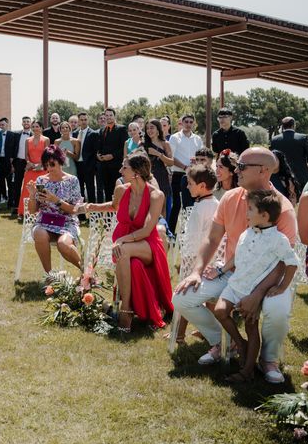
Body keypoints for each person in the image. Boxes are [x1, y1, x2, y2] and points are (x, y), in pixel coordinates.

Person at [173, 147, 297, 383]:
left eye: (241, 166)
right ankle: (222, 343)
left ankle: (268, 359)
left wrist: (259, 292)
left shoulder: (282, 208)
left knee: (278, 309)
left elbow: (284, 261)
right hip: (232, 275)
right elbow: (212, 239)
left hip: (269, 279)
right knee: (181, 297)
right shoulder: (229, 197)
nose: (235, 169)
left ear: (263, 170)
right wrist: (196, 272)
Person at [211, 190, 297, 382]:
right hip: (235, 285)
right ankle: (240, 344)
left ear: (264, 215)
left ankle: (247, 370)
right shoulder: (247, 232)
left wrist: (282, 287)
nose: (246, 213)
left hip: (251, 292)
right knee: (220, 311)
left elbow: (292, 263)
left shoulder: (278, 239)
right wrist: (222, 270)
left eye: (250, 209)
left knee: (251, 327)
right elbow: (237, 256)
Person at [86, 153, 173, 331]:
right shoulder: (122, 189)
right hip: (125, 243)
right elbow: (114, 205)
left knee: (122, 250)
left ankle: (125, 311)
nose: (120, 170)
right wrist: (92, 206)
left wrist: (121, 240)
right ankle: (131, 310)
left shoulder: (156, 195)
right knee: (130, 261)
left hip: (148, 244)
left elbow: (148, 229)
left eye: (124, 167)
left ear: (136, 173)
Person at [172, 165, 219, 344]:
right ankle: (209, 332)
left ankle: (180, 334)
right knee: (210, 301)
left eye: (190, 183)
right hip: (212, 259)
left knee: (184, 295)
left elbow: (192, 239)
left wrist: (186, 261)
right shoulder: (215, 204)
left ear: (201, 186)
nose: (187, 186)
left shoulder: (200, 208)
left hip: (195, 260)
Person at [26, 145, 83, 274]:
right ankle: (50, 276)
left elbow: (74, 210)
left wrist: (55, 200)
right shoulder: (41, 180)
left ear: (60, 161)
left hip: (67, 222)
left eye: (52, 164)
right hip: (45, 221)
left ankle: (87, 273)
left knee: (63, 245)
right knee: (39, 234)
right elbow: (32, 211)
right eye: (46, 165)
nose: (49, 168)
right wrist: (32, 195)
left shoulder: (72, 181)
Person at [168, 114, 203, 232]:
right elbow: (171, 157)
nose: (188, 124)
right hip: (178, 174)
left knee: (190, 205)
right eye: (186, 122)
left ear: (193, 123)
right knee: (177, 204)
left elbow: (201, 156)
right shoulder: (174, 137)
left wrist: (195, 164)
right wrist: (184, 167)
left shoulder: (197, 139)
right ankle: (171, 232)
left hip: (193, 176)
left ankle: (188, 231)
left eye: (190, 122)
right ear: (181, 123)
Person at [18, 121, 50, 216]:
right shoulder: (28, 140)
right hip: (30, 169)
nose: (35, 128)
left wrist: (41, 164)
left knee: (41, 191)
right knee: (27, 190)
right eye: (34, 127)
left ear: (41, 128)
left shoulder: (46, 139)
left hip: (42, 170)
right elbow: (26, 155)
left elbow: (47, 155)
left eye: (37, 126)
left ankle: (41, 212)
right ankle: (24, 212)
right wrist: (29, 163)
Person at [270, 116, 308, 190]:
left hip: (281, 177)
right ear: (293, 125)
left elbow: (272, 158)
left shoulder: (274, 140)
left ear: (282, 126)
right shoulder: (302, 138)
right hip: (301, 175)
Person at [143, 119, 174, 218]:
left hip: (162, 176)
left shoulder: (165, 144)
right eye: (147, 128)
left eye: (152, 127)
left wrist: (158, 154)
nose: (149, 130)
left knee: (162, 207)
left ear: (158, 129)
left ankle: (163, 230)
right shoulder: (143, 145)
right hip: (148, 178)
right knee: (147, 207)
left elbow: (171, 162)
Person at [96, 108, 128, 201]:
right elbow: (100, 146)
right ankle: (109, 212)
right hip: (104, 167)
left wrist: (112, 155)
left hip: (116, 167)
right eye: (106, 115)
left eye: (110, 115)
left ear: (114, 116)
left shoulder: (121, 129)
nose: (108, 117)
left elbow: (124, 147)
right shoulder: (102, 130)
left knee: (118, 191)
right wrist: (98, 154)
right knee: (107, 191)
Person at [73, 112, 97, 211]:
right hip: (77, 165)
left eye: (85, 119)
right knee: (79, 190)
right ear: (78, 121)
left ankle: (91, 213)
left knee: (90, 189)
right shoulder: (74, 133)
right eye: (81, 120)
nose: (83, 121)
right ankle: (81, 213)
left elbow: (95, 152)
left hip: (88, 166)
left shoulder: (93, 133)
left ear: (88, 120)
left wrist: (92, 166)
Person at [10, 116, 32, 218]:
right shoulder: (16, 134)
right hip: (18, 162)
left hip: (30, 163)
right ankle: (16, 207)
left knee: (29, 186)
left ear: (30, 123)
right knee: (17, 185)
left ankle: (29, 208)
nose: (26, 123)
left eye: (28, 121)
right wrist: (12, 164)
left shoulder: (34, 134)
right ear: (22, 123)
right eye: (24, 121)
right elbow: (12, 148)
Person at [0, 117, 16, 208]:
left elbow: (15, 149)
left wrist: (12, 163)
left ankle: (10, 203)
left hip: (9, 161)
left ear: (7, 125)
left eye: (3, 125)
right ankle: (3, 198)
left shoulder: (12, 135)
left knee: (10, 182)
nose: (1, 126)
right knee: (0, 181)